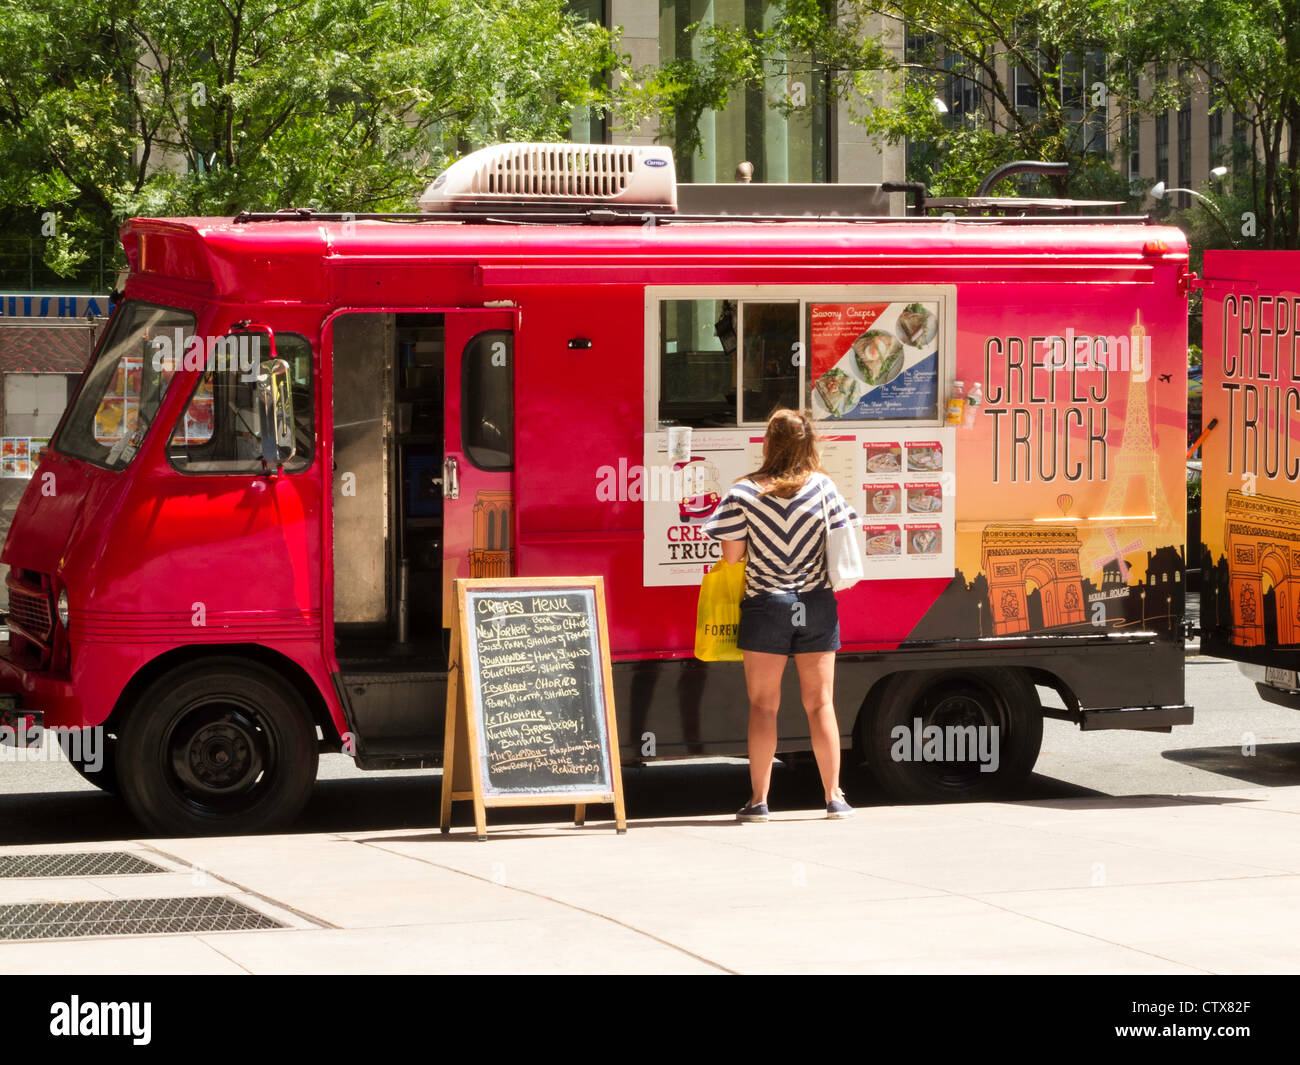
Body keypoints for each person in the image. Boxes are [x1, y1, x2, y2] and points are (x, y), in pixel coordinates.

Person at [703, 408, 858, 821]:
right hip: (816, 604)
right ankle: (834, 797)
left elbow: (732, 556)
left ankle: (758, 801)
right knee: (821, 703)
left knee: (763, 706)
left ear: (767, 443)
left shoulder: (744, 493)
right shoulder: (823, 488)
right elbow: (843, 537)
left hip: (767, 605)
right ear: (809, 444)